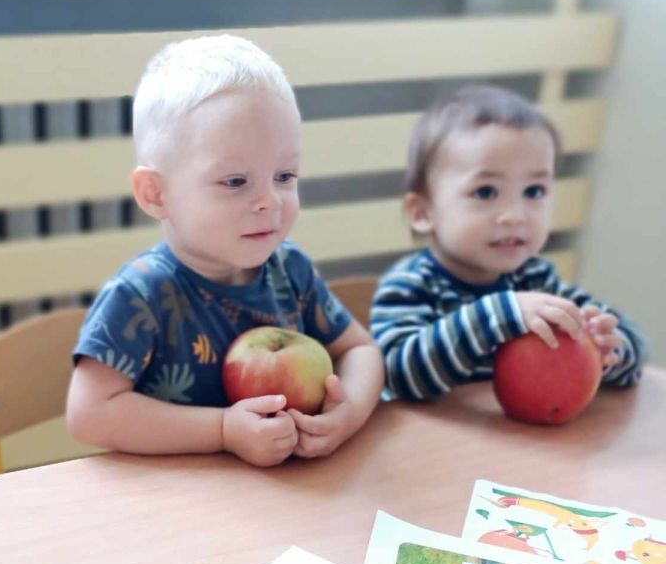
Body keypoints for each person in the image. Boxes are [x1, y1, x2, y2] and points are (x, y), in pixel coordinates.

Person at [66, 35, 383, 467]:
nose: (270, 200)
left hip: (286, 493)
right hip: (180, 496)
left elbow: (360, 351)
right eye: (235, 181)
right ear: (156, 194)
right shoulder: (139, 295)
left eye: (285, 175)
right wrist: (222, 430)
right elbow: (89, 414)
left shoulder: (290, 269)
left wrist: (349, 414)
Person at [371, 84, 646, 400]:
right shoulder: (409, 286)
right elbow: (399, 375)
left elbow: (634, 342)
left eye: (534, 191)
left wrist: (608, 349)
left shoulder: (536, 280)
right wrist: (500, 314)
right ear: (422, 212)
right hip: (428, 432)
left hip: (518, 428)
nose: (515, 215)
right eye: (485, 192)